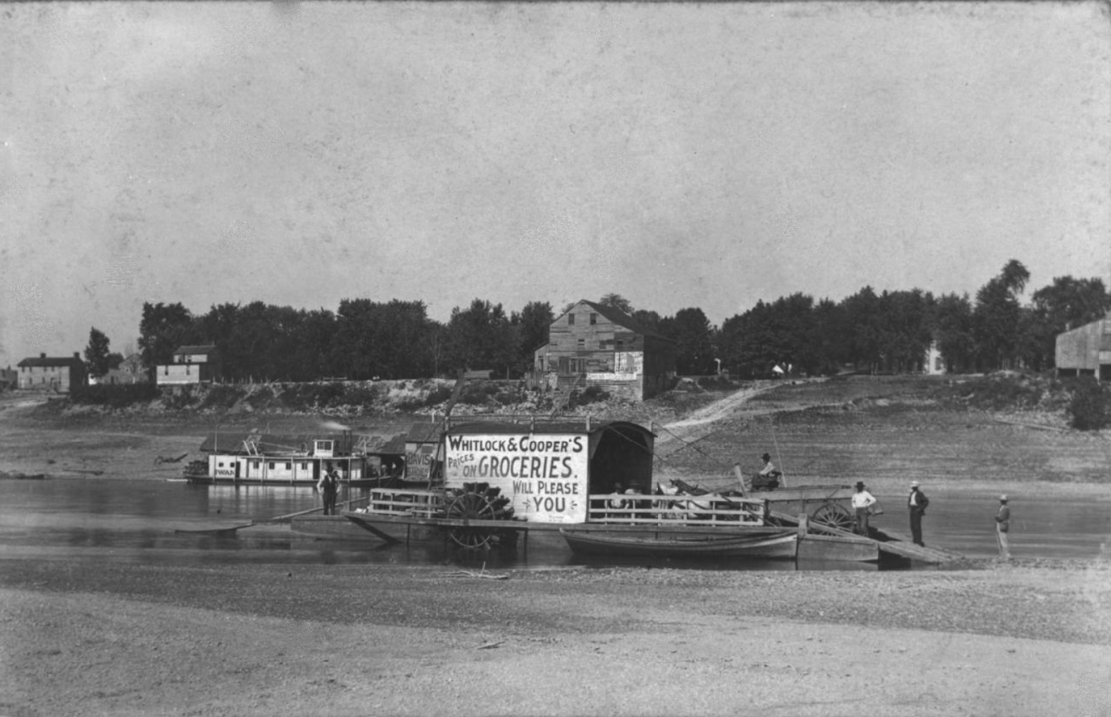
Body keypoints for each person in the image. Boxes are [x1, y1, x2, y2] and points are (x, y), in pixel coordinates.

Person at [907, 480, 929, 547]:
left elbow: (926, 501)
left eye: (914, 487)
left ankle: (918, 541)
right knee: (912, 525)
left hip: (917, 509)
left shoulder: (920, 494)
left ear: (916, 487)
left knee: (917, 526)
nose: (913, 488)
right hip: (912, 509)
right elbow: (910, 501)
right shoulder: (912, 493)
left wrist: (920, 508)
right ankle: (915, 539)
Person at [995, 494, 1011, 560]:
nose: (1002, 502)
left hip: (1002, 525)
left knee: (1003, 540)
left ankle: (1006, 555)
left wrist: (997, 517)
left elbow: (1001, 517)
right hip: (1001, 525)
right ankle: (1002, 555)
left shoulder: (1005, 508)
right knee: (1001, 540)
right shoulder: (1002, 507)